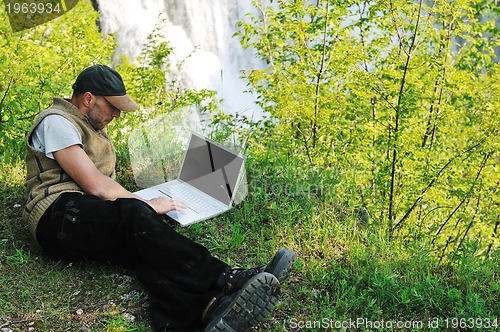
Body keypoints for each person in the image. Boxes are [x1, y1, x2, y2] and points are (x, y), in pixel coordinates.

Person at [22, 64, 297, 331]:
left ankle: (207, 311)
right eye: (113, 107)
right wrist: (145, 204)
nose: (117, 115)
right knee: (135, 215)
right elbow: (94, 185)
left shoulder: (88, 125)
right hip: (56, 215)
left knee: (146, 249)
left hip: (84, 216)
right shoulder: (57, 122)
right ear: (89, 98)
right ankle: (226, 277)